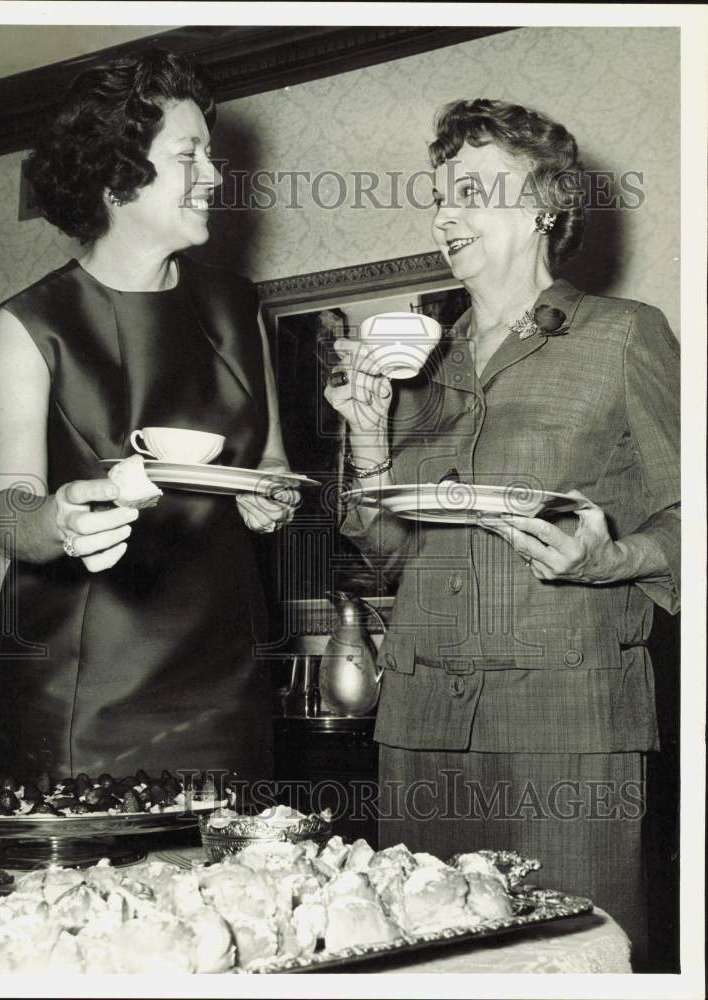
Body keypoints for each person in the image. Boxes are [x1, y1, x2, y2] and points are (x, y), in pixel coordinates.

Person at [324, 98, 679, 966]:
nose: (446, 213)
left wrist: (615, 557)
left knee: (571, 958)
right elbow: (388, 553)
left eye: (473, 190)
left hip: (568, 716)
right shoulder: (420, 366)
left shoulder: (621, 334)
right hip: (417, 720)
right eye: (439, 193)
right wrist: (368, 441)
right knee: (429, 960)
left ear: (544, 207)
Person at [0, 50, 297, 790]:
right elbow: (7, 508)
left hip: (227, 682)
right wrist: (56, 518)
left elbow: (275, 464)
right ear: (119, 174)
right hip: (84, 690)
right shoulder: (31, 324)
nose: (214, 176)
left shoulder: (237, 306)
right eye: (189, 155)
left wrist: (271, 495)